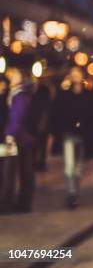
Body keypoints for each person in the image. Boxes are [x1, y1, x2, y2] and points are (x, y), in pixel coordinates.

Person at [0, 67, 35, 213]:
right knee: (24, 171)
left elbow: (16, 117)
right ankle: (23, 202)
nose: (11, 79)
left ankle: (14, 203)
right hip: (23, 137)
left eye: (13, 76)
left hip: (19, 138)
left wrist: (9, 134)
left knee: (16, 171)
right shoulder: (17, 93)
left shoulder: (20, 95)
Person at [55, 67, 91, 208]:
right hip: (69, 134)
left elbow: (92, 114)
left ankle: (75, 190)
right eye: (73, 74)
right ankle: (72, 193)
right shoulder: (64, 94)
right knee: (69, 166)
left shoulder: (87, 94)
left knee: (78, 167)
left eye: (78, 74)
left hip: (83, 135)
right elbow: (58, 113)